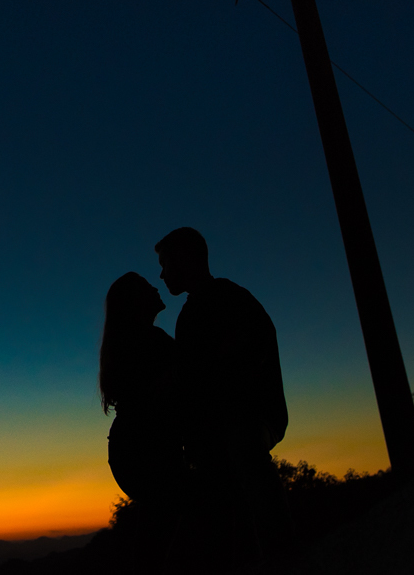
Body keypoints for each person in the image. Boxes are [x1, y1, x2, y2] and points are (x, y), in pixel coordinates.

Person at [154, 227, 291, 570]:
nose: (161, 273)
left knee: (240, 456)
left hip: (249, 421)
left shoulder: (227, 300)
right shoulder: (196, 311)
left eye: (165, 263)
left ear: (185, 260)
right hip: (224, 429)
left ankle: (281, 552)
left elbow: (238, 368)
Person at [99, 272, 186, 571]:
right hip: (147, 447)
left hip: (132, 448)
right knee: (162, 531)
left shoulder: (129, 344)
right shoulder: (148, 342)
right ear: (136, 301)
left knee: (157, 529)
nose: (155, 287)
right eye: (148, 287)